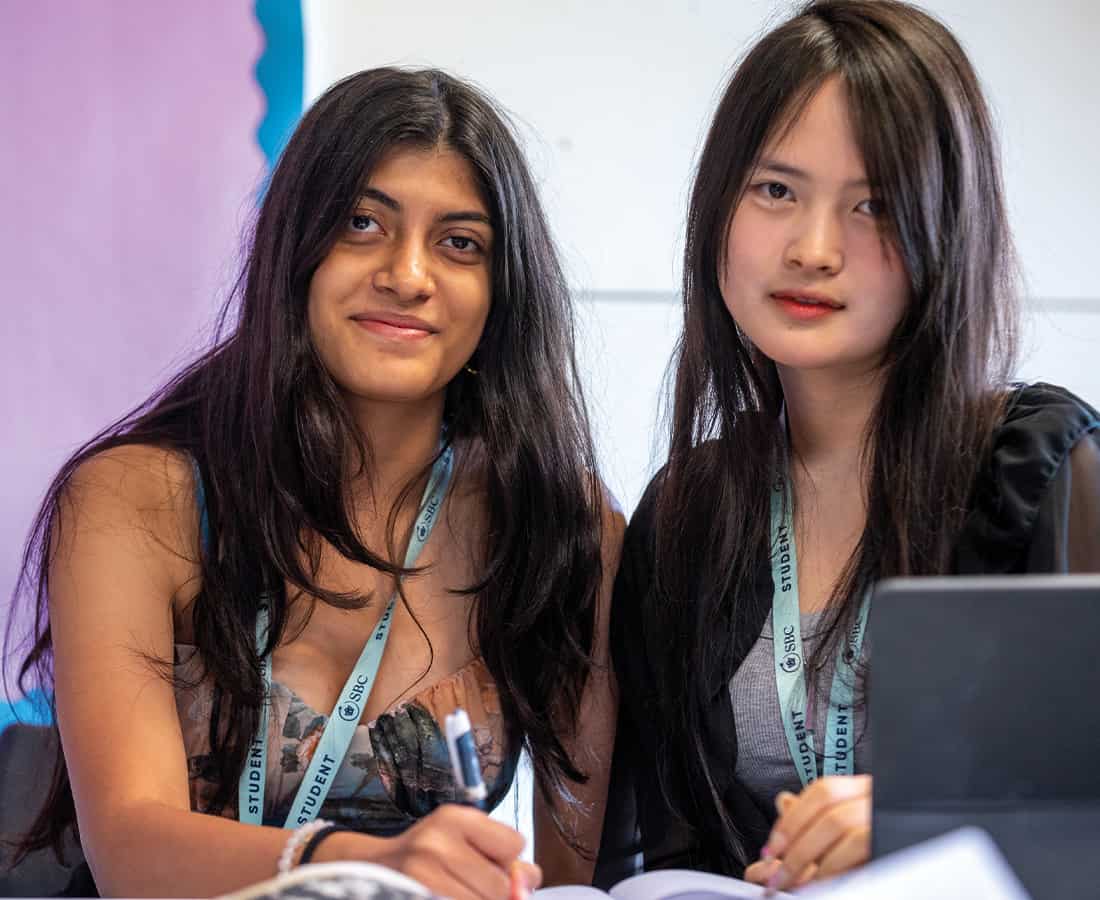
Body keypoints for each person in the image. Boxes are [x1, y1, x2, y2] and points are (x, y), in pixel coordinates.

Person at [6, 68, 622, 899]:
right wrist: (362, 859)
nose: (408, 274)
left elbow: (565, 879)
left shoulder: (564, 528)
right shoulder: (132, 500)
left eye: (459, 242)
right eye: (362, 224)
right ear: (294, 247)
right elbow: (128, 855)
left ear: (500, 292)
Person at [601, 0, 1100, 893]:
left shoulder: (1045, 471)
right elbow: (661, 856)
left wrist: (929, 821)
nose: (814, 248)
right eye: (776, 190)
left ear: (944, 229)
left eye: (872, 204)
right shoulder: (688, 513)